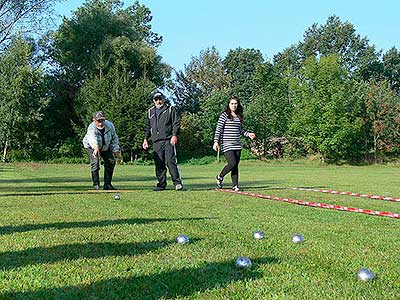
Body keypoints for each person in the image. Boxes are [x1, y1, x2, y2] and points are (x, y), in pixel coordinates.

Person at [213, 96, 256, 191]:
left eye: (235, 103)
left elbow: (240, 130)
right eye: (232, 103)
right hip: (227, 144)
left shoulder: (239, 116)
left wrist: (248, 134)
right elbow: (218, 129)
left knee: (235, 165)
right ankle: (220, 177)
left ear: (238, 105)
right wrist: (216, 142)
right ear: (229, 105)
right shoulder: (224, 115)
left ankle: (235, 186)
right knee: (232, 163)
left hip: (237, 144)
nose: (234, 105)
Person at [143, 91, 183, 191]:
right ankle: (161, 184)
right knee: (159, 163)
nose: (159, 101)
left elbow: (176, 123)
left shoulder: (170, 109)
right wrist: (145, 139)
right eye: (156, 99)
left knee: (171, 162)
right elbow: (148, 127)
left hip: (168, 140)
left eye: (160, 99)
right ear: (153, 101)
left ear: (163, 99)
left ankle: (177, 183)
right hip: (156, 142)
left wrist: (174, 135)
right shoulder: (150, 112)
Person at [83, 111, 120, 190]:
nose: (100, 123)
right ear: (94, 120)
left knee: (111, 162)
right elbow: (91, 138)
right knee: (95, 163)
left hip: (105, 146)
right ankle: (96, 184)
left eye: (102, 120)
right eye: (98, 121)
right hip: (91, 146)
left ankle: (107, 184)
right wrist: (95, 147)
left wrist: (115, 149)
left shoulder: (109, 125)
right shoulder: (91, 128)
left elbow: (114, 138)